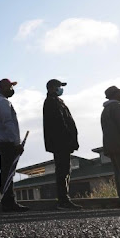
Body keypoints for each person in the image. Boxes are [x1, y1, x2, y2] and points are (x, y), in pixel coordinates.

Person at [43, 79, 82, 210]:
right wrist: (69, 139)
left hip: (63, 142)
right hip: (61, 143)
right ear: (53, 88)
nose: (61, 89)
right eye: (59, 86)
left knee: (65, 170)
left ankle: (64, 199)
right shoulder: (52, 102)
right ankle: (63, 200)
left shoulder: (56, 101)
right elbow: (59, 124)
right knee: (62, 170)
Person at [0, 79, 28, 212]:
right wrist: (16, 143)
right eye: (10, 86)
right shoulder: (4, 103)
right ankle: (8, 202)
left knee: (6, 171)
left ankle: (8, 201)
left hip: (2, 142)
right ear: (2, 88)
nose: (12, 89)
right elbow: (8, 123)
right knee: (8, 172)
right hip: (7, 142)